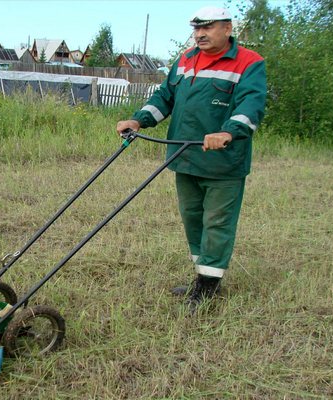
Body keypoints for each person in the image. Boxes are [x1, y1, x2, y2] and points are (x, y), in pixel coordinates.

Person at [116, 6, 267, 312]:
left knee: (217, 223)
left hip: (223, 162)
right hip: (185, 157)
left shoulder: (249, 62)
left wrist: (229, 131)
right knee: (193, 220)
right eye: (197, 29)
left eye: (208, 28)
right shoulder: (185, 60)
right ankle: (203, 278)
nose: (200, 34)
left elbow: (251, 104)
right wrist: (139, 120)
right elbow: (164, 97)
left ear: (227, 28)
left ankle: (209, 288)